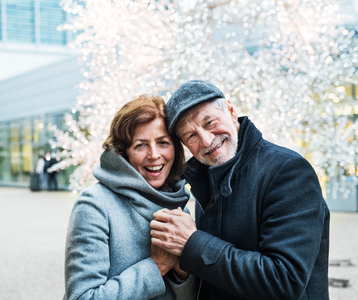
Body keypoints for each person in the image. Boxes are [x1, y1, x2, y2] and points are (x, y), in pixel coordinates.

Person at [150, 80, 330, 299]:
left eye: (209, 122)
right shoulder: (206, 177)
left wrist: (191, 243)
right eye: (191, 136)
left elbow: (284, 281)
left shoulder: (287, 171)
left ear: (231, 111)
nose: (207, 141)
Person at [64, 95, 197, 299]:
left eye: (163, 142)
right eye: (140, 145)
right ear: (123, 153)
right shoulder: (94, 204)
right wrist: (157, 266)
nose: (154, 155)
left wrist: (182, 272)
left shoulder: (179, 205)